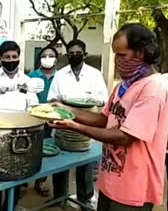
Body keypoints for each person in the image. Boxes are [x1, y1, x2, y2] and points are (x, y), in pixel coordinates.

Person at [49, 23, 168, 211]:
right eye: (115, 55)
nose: (118, 61)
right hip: (111, 180)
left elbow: (125, 137)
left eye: (122, 55)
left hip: (134, 187)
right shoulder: (123, 86)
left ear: (142, 52)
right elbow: (105, 120)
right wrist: (66, 110)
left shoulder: (153, 89)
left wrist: (74, 126)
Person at [47, 39, 108, 210]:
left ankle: (85, 198)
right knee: (61, 161)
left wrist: (90, 100)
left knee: (85, 161)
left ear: (85, 54)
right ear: (67, 55)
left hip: (88, 124)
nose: (74, 56)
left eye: (78, 53)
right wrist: (61, 104)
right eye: (71, 53)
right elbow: (52, 98)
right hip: (64, 121)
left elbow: (104, 98)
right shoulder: (60, 74)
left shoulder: (95, 74)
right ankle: (59, 198)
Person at [0, 41, 42, 211]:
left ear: (19, 57)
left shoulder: (27, 80)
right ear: (1, 58)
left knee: (16, 172)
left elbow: (32, 105)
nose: (11, 60)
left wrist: (36, 112)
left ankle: (11, 205)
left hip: (19, 134)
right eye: (7, 57)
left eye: (14, 57)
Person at [28, 46, 59, 197]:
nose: (47, 58)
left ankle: (41, 181)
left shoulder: (61, 77)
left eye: (51, 55)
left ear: (56, 58)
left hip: (53, 120)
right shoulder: (32, 76)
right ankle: (21, 184)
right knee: (29, 149)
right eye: (44, 55)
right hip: (33, 119)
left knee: (47, 150)